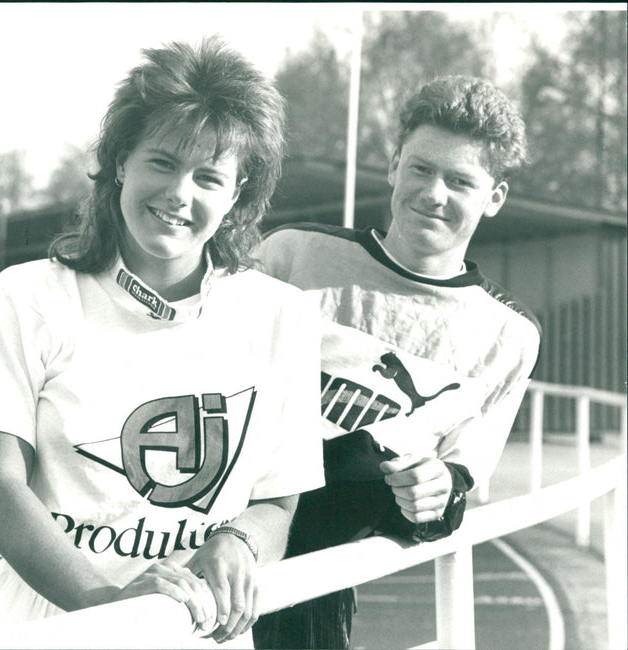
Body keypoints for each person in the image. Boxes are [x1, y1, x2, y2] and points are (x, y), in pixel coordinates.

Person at [0, 38, 324, 648]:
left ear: (237, 193)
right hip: (42, 623)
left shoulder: (283, 317)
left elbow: (278, 503)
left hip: (189, 632)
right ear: (121, 161)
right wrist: (110, 608)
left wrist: (239, 540)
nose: (179, 194)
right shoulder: (28, 296)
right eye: (163, 162)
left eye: (208, 176)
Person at [253, 75, 542, 649]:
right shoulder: (292, 254)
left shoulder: (508, 334)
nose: (433, 193)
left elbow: (456, 483)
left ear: (496, 198)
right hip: (202, 533)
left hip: (313, 588)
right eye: (421, 168)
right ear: (392, 167)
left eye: (460, 180)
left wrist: (436, 491)